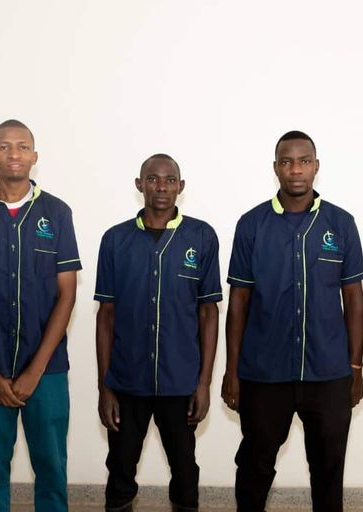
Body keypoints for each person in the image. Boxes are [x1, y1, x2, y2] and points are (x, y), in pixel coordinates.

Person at [221, 130, 363, 512]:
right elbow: (239, 303)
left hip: (328, 372)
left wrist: (355, 367)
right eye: (287, 162)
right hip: (264, 372)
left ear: (316, 167)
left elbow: (354, 299)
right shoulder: (251, 224)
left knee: (328, 469)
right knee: (255, 465)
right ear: (276, 168)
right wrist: (232, 370)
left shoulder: (341, 223)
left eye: (304, 161)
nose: (296, 170)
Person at [0, 119, 81, 511]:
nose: (14, 154)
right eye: (4, 147)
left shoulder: (57, 213)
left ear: (34, 156)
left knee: (52, 472)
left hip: (47, 371)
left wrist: (34, 371)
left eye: (22, 146)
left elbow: (67, 295)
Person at [95, 154, 222, 512]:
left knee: (185, 470)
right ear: (140, 185)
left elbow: (208, 313)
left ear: (181, 186)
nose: (161, 187)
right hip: (127, 380)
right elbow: (106, 316)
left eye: (169, 180)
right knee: (120, 467)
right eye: (152, 179)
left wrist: (203, 384)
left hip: (180, 382)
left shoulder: (201, 236)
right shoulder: (115, 239)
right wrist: (105, 387)